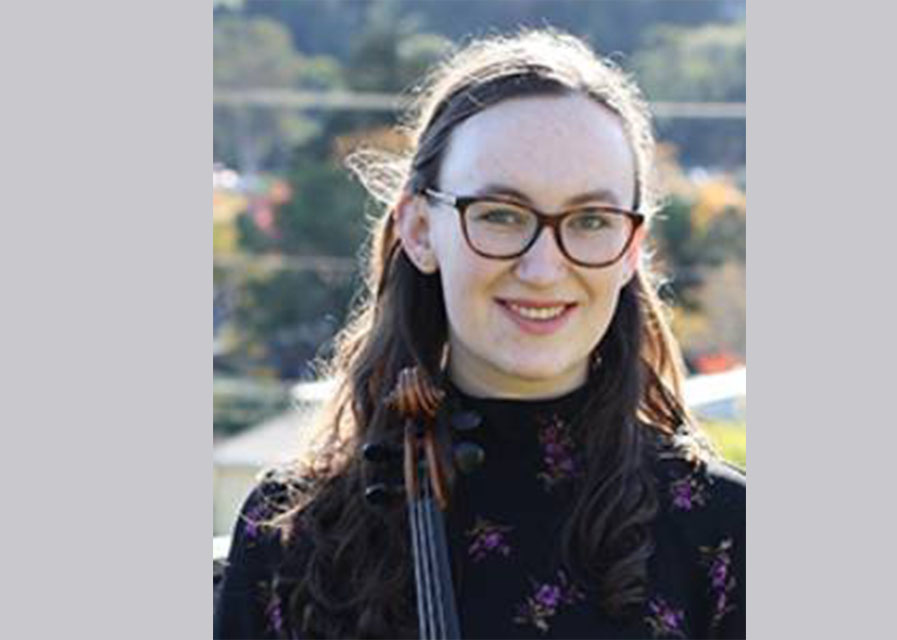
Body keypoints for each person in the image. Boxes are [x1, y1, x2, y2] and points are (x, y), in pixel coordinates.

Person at [214, 28, 745, 640]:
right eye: (499, 215)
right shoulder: (292, 536)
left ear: (631, 248)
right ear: (419, 230)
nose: (543, 269)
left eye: (591, 220)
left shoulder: (724, 536)